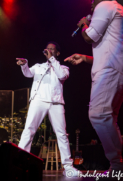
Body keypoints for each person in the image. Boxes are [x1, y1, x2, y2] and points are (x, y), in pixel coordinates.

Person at [65, 0, 123, 175]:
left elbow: (89, 37)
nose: (91, 3)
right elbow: (110, 49)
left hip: (112, 71)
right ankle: (120, 165)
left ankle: (119, 166)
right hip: (119, 69)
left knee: (98, 114)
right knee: (106, 117)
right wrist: (86, 58)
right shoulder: (116, 9)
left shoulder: (105, 6)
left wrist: (83, 25)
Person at [16, 42, 81, 177]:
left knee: (62, 134)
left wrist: (52, 59)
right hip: (38, 100)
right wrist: (24, 64)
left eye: (52, 49)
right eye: (48, 49)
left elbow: (62, 76)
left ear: (57, 53)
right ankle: (19, 163)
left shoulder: (63, 68)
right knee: (29, 130)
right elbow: (28, 74)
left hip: (56, 103)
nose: (49, 50)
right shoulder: (38, 67)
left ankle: (68, 167)